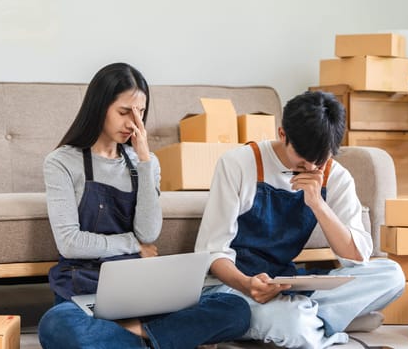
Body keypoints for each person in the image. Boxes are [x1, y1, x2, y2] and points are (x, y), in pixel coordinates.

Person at [37, 62, 250, 349]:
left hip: (139, 289)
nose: (134, 124)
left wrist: (146, 160)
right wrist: (132, 245)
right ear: (99, 107)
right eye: (124, 112)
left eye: (140, 113)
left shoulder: (145, 162)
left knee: (236, 308)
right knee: (57, 326)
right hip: (85, 289)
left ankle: (140, 336)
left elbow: (148, 234)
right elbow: (70, 244)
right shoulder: (62, 162)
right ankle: (162, 337)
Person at [195, 90, 405, 348]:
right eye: (303, 163)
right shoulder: (238, 164)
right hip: (235, 288)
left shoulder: (335, 175)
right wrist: (248, 285)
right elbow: (212, 252)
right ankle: (324, 320)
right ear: (282, 134)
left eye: (320, 162)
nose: (312, 170)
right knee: (294, 324)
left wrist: (318, 204)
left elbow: (357, 257)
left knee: (392, 275)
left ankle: (302, 316)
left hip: (286, 283)